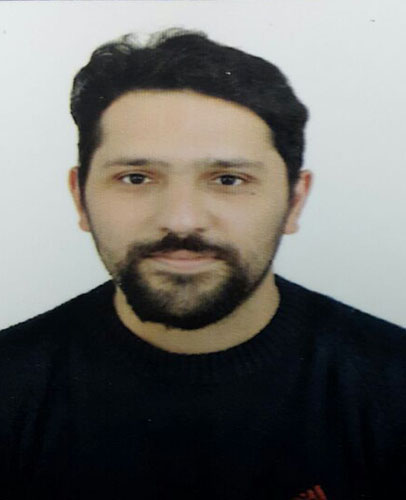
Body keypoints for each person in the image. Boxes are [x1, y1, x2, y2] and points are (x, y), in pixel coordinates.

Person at [0, 29, 405, 500]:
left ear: (295, 201)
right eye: (136, 178)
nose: (181, 220)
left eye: (228, 179)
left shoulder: (394, 387)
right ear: (80, 198)